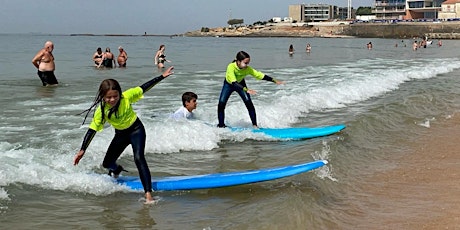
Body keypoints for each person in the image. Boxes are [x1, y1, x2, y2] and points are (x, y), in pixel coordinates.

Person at [73, 66, 175, 204]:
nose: (112, 99)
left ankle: (148, 194)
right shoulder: (101, 111)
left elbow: (144, 87)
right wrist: (82, 150)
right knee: (107, 163)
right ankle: (118, 169)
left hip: (136, 130)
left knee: (139, 158)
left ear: (120, 93)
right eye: (108, 97)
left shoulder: (126, 97)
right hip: (121, 134)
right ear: (103, 96)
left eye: (115, 96)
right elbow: (92, 130)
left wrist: (162, 76)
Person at [217, 51, 284, 128]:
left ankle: (255, 125)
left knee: (249, 103)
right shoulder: (231, 67)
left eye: (248, 63)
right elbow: (233, 82)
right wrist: (246, 90)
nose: (247, 65)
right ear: (238, 62)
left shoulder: (247, 69)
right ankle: (221, 125)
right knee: (221, 104)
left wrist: (274, 80)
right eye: (245, 63)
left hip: (241, 84)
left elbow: (259, 75)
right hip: (229, 85)